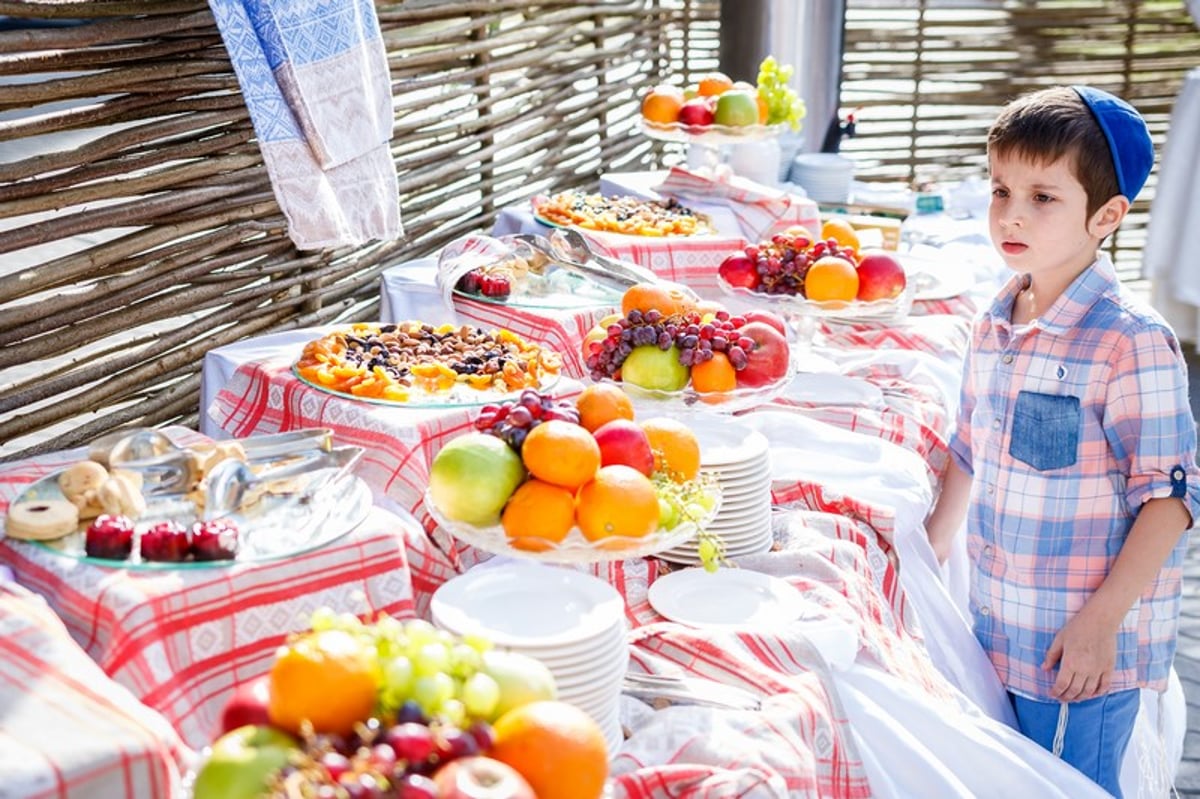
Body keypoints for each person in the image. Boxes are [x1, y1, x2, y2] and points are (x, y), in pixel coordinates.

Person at [925, 85, 1200, 797]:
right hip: (999, 631)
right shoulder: (994, 320)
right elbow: (967, 444)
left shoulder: (1130, 340)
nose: (1011, 212)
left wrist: (1100, 623)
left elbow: (1171, 500)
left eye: (1044, 197)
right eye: (1001, 189)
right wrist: (932, 547)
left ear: (1106, 215)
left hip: (1076, 653)